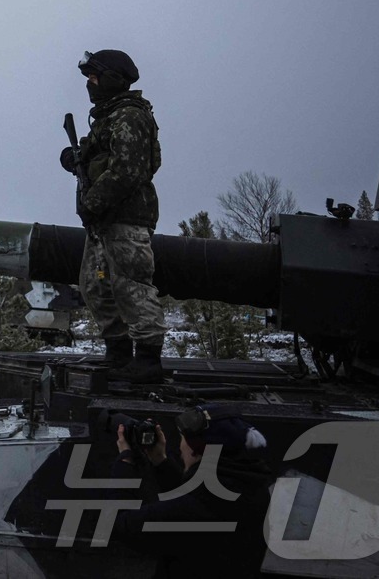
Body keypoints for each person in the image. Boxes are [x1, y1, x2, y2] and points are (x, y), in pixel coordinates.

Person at [61, 49, 166, 382]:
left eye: (94, 77)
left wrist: (93, 202)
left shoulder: (130, 117)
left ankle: (148, 359)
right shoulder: (107, 118)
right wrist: (74, 158)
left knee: (131, 286)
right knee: (95, 287)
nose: (90, 84)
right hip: (103, 220)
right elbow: (98, 157)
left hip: (125, 217)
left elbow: (127, 170)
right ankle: (118, 354)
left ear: (112, 79)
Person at [110, 406, 276, 578]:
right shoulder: (253, 488)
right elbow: (193, 497)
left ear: (196, 451)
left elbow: (122, 523)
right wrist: (160, 461)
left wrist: (125, 462)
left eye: (183, 440)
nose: (181, 448)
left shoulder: (197, 509)